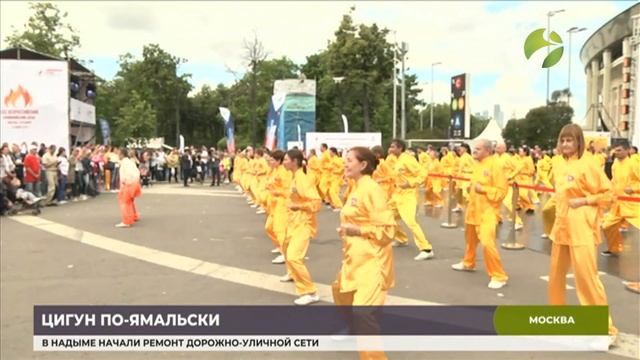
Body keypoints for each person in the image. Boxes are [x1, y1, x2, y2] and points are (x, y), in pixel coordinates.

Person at [547, 124, 617, 346]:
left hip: (582, 228)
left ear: (579, 142)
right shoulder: (557, 164)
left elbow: (609, 194)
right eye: (563, 140)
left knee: (586, 278)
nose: (566, 144)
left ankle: (605, 329)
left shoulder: (589, 164)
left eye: (570, 140)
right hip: (561, 228)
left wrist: (585, 200)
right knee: (556, 276)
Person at [334, 146, 395, 360]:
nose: (345, 163)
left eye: (349, 160)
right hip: (353, 258)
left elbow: (388, 230)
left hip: (372, 260)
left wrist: (358, 230)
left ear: (363, 165)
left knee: (363, 312)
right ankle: (353, 329)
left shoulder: (372, 189)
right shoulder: (355, 186)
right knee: (340, 293)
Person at [451, 139, 509, 289]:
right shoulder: (477, 164)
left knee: (487, 242)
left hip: (488, 211)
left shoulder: (496, 165)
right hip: (473, 209)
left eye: (478, 149)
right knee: (470, 240)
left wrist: (484, 190)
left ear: (488, 151)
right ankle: (468, 262)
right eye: (474, 148)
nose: (474, 151)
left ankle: (499, 276)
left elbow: (502, 191)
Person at [282, 149, 321, 305]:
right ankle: (292, 273)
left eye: (286, 159)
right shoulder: (295, 177)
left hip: (302, 223)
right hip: (293, 222)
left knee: (293, 256)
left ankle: (310, 292)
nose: (283, 162)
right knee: (286, 249)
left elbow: (315, 202)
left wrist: (298, 206)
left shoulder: (302, 179)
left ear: (294, 161)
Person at [388, 139, 435, 261]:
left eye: (393, 147)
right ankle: (401, 239)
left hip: (408, 195)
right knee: (387, 216)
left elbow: (423, 174)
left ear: (400, 148)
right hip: (397, 194)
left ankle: (426, 249)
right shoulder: (397, 160)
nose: (390, 149)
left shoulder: (408, 159)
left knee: (410, 221)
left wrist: (410, 183)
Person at [601, 140, 640, 256]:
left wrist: (633, 189)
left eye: (619, 150)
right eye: (615, 150)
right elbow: (615, 181)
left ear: (627, 150)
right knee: (607, 226)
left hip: (633, 204)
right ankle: (614, 248)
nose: (616, 153)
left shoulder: (634, 164)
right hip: (618, 204)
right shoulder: (615, 164)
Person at [264, 150, 291, 264]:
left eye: (272, 160)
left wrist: (277, 191)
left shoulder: (284, 172)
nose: (269, 161)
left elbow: (287, 190)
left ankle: (285, 254)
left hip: (282, 204)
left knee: (279, 230)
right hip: (274, 204)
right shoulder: (274, 170)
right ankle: (280, 247)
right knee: (269, 227)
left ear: (278, 161)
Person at [116, 149, 141, 228]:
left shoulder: (125, 163)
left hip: (129, 184)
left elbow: (128, 174)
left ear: (122, 155)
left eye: (119, 154)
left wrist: (125, 182)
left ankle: (127, 221)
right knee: (130, 201)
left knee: (124, 202)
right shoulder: (129, 162)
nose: (118, 156)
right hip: (134, 183)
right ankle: (134, 216)